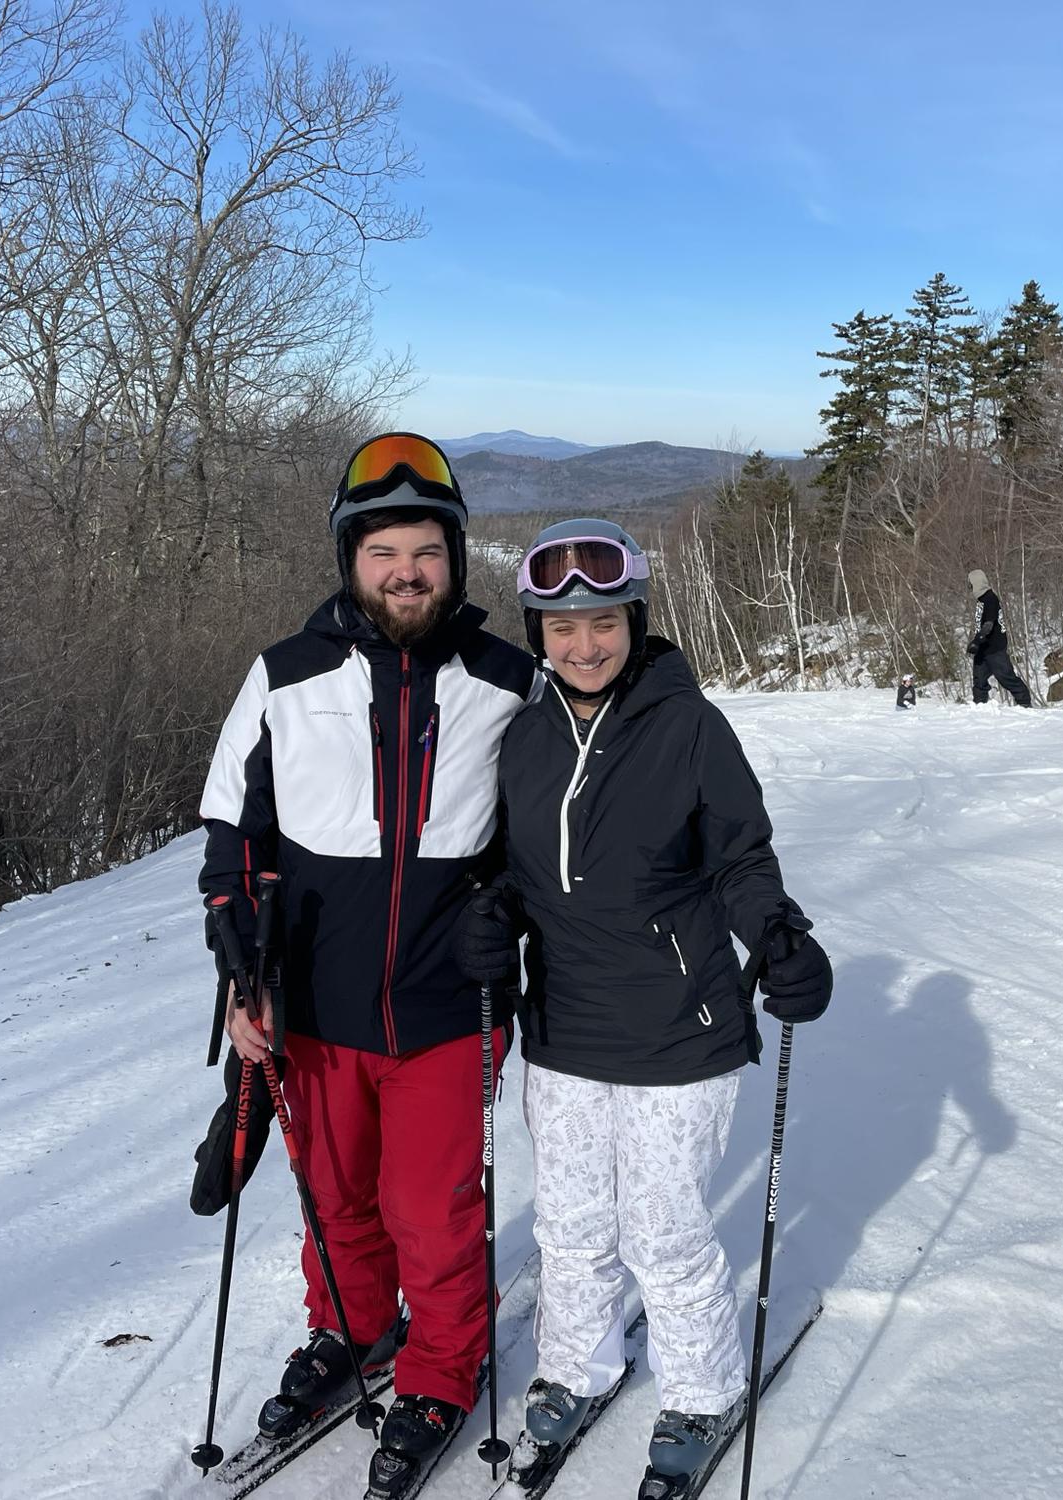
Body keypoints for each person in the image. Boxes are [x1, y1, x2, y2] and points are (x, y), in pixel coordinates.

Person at [454, 519, 833, 1498]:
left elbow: (742, 858)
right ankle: (577, 1369)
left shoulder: (690, 726)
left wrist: (780, 938)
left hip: (681, 1030)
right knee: (573, 1225)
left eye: (605, 622)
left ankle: (699, 1392)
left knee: (662, 1229)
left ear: (635, 623)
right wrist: (490, 920)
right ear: (539, 632)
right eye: (563, 626)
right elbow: (505, 867)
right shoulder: (526, 736)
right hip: (564, 1030)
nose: (584, 644)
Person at [197, 433, 540, 1496]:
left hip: (449, 1005)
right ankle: (350, 1329)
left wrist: (512, 918)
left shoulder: (508, 680)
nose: (406, 570)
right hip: (310, 1002)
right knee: (336, 1195)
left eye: (426, 551)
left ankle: (440, 1364)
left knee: (431, 1206)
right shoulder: (284, 675)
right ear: (350, 557)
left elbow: (559, 837)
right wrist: (237, 961)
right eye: (383, 548)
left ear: (456, 558)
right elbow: (230, 832)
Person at [966, 568, 1032, 706]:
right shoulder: (981, 600)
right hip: (983, 649)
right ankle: (980, 708)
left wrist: (976, 641)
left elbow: (989, 624)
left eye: (971, 584)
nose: (970, 588)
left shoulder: (990, 598)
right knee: (979, 681)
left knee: (1006, 677)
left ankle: (1025, 705)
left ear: (977, 583)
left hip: (994, 648)